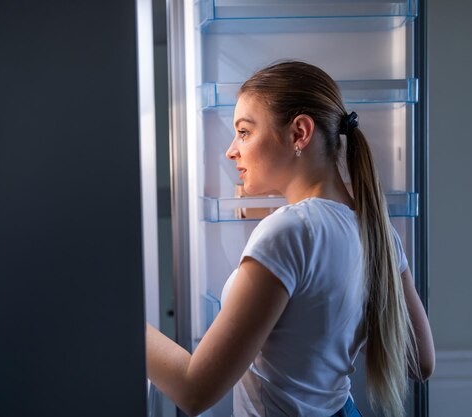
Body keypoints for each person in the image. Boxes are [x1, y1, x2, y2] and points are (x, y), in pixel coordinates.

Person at [146, 61, 435, 417]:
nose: (231, 150)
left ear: (299, 133)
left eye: (244, 131)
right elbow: (419, 361)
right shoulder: (376, 230)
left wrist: (121, 319)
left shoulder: (288, 232)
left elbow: (194, 391)